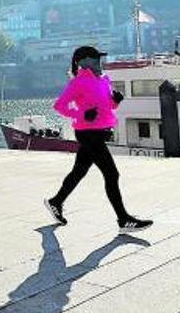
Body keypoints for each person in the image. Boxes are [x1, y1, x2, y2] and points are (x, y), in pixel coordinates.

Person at [44, 45, 153, 233]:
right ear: (84, 62)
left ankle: (56, 202)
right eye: (95, 59)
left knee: (79, 172)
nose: (99, 62)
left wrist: (115, 101)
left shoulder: (104, 79)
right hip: (88, 134)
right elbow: (59, 106)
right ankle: (124, 220)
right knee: (112, 174)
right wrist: (81, 113)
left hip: (100, 131)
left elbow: (106, 105)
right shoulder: (77, 82)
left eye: (99, 59)